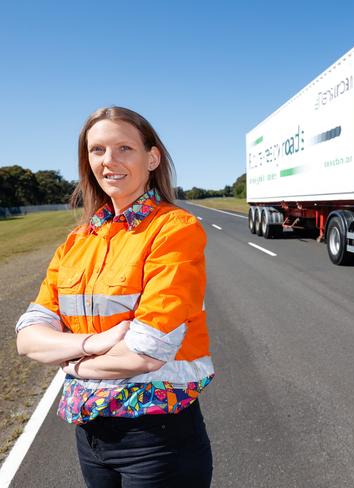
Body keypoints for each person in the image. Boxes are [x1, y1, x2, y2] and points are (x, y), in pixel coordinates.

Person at [15, 106, 214, 487]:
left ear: (151, 157)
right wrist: (92, 342)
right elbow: (28, 337)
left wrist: (71, 363)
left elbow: (145, 352)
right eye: (97, 150)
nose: (110, 161)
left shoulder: (174, 229)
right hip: (90, 438)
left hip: (157, 440)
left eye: (125, 148)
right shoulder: (77, 241)